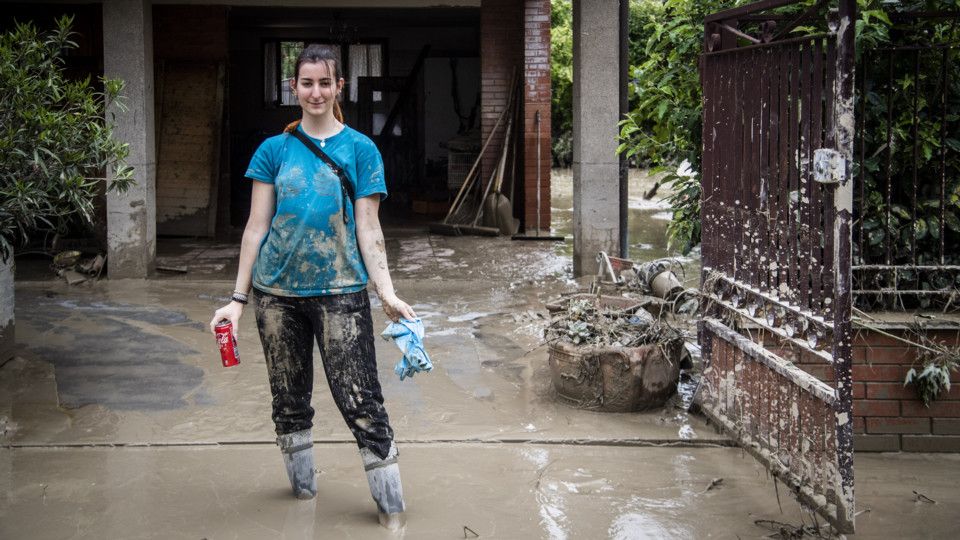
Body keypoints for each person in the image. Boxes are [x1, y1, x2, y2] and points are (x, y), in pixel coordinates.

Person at [209, 43, 415, 530]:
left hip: (342, 292)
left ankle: (394, 517)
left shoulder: (362, 149)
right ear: (293, 88)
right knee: (289, 402)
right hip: (275, 296)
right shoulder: (273, 150)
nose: (315, 91)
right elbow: (256, 228)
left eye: (325, 83)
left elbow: (369, 228)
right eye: (306, 83)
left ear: (339, 86)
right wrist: (237, 301)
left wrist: (386, 293)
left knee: (362, 403)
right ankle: (303, 502)